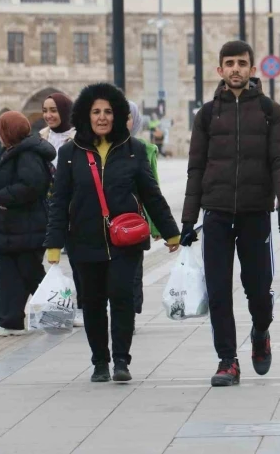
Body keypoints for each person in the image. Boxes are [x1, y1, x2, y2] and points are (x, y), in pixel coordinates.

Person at [44, 82, 180, 383]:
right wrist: (53, 244)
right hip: (83, 240)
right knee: (92, 303)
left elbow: (151, 194)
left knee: (121, 297)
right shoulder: (69, 153)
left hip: (125, 241)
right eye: (96, 112)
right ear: (85, 115)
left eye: (108, 111)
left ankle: (121, 360)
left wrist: (171, 232)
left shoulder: (133, 151)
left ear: (117, 115)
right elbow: (59, 203)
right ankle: (99, 362)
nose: (102, 117)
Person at [180, 41, 280, 387]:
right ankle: (227, 360)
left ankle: (261, 332)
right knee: (218, 290)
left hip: (254, 212)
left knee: (258, 289)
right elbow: (195, 167)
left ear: (252, 69)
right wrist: (188, 219)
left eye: (241, 63)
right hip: (215, 213)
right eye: (229, 63)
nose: (235, 69)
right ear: (219, 70)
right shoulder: (206, 114)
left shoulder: (268, 110)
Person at [0, 111, 56, 336]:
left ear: (8, 132)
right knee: (13, 274)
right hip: (16, 228)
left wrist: (3, 197)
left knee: (26, 273)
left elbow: (33, 185)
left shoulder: (26, 154)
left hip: (24, 227)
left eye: (2, 130)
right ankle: (11, 321)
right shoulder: (15, 151)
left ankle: (55, 310)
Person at [38, 92, 85, 326]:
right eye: (45, 110)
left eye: (54, 110)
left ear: (65, 111)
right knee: (50, 259)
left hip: (76, 207)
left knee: (79, 260)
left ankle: (86, 307)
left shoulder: (80, 137)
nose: (48, 115)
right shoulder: (41, 138)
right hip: (49, 207)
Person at [127, 100, 161, 320]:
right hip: (103, 224)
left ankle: (129, 311)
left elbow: (153, 191)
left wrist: (159, 227)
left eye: (127, 117)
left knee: (133, 273)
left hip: (135, 223)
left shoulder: (145, 150)